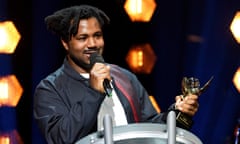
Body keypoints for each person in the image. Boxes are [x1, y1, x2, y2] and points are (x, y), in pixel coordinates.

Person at [33, 4, 199, 144]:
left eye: (97, 35)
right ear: (65, 43)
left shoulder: (124, 77)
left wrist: (180, 115)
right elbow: (62, 138)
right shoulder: (50, 89)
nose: (92, 44)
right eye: (82, 38)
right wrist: (93, 92)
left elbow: (148, 127)